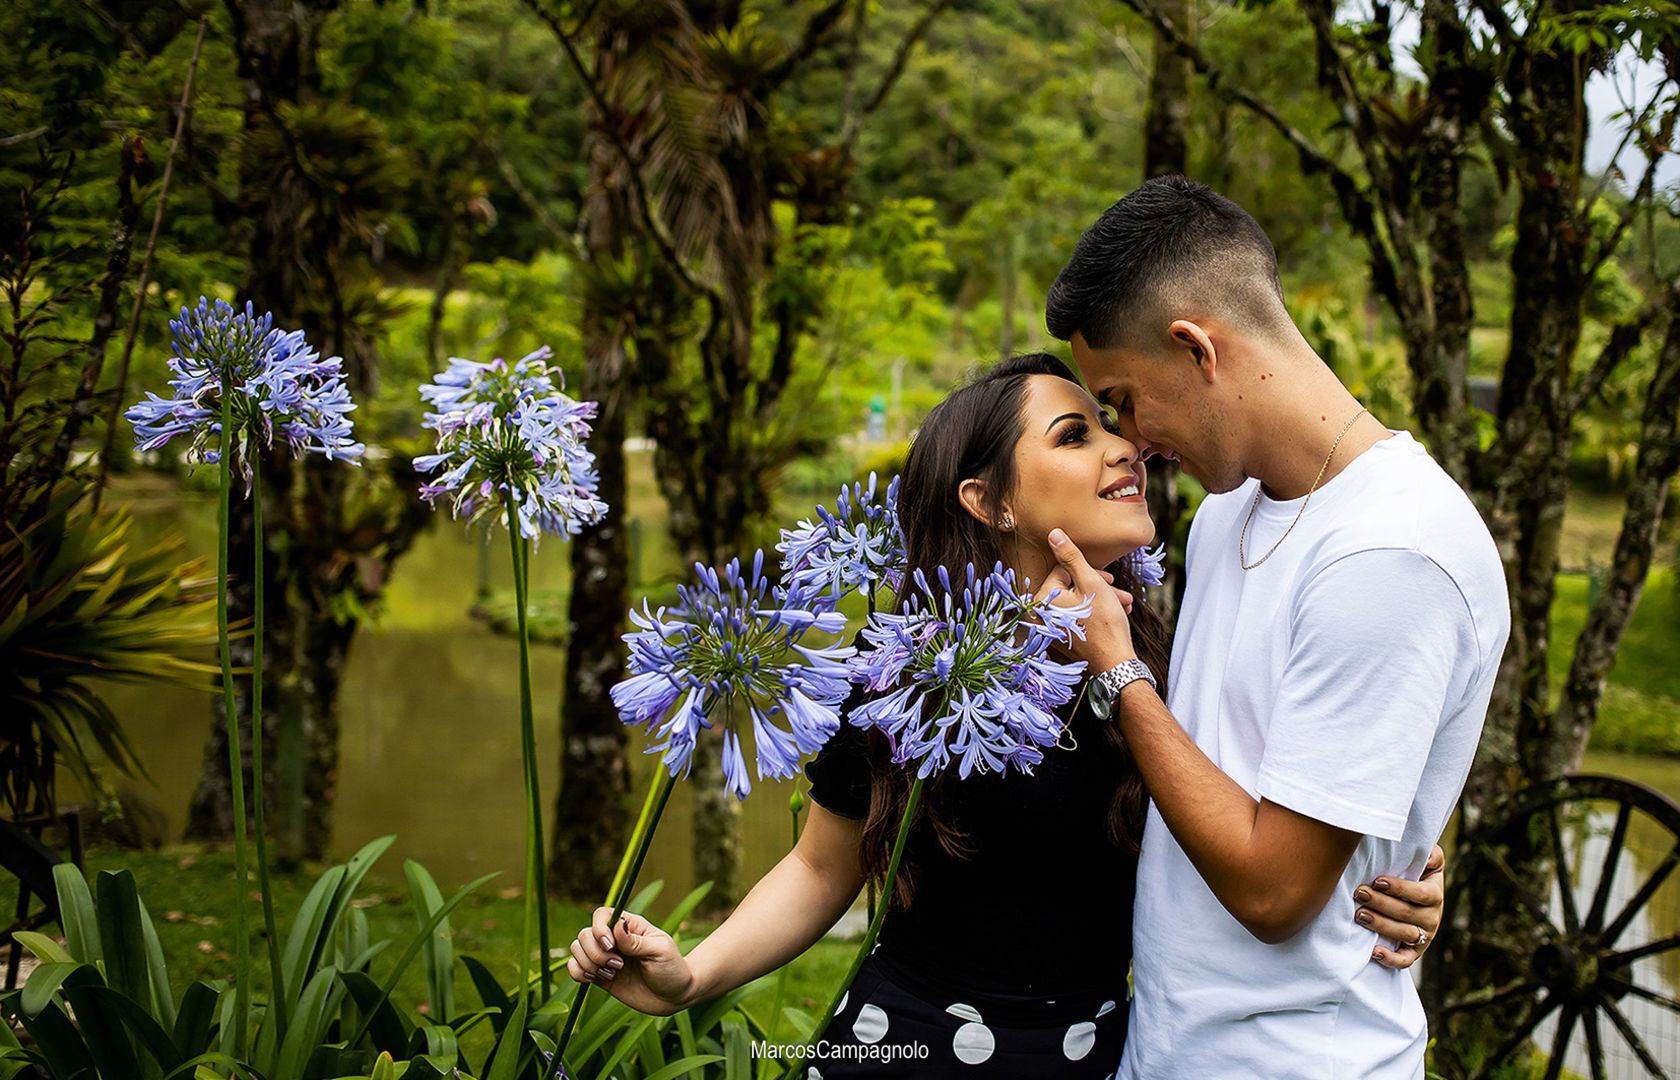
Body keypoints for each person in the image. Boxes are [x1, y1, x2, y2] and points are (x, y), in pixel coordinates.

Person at [566, 354, 1445, 1077]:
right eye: (1076, 434)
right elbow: (818, 870)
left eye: (1111, 423)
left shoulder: (1165, 655)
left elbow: (1267, 809)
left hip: (1100, 1057)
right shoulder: (905, 669)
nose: (1124, 447)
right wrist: (693, 974)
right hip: (908, 1051)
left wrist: (1392, 868)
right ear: (989, 501)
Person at [1039, 176, 1510, 1080]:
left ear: (1195, 347)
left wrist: (1119, 671)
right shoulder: (1232, 511)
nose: (1130, 440)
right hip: (1171, 1047)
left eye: (1127, 400)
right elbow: (1241, 761)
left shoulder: (1392, 552)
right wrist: (1388, 842)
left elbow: (1275, 890)